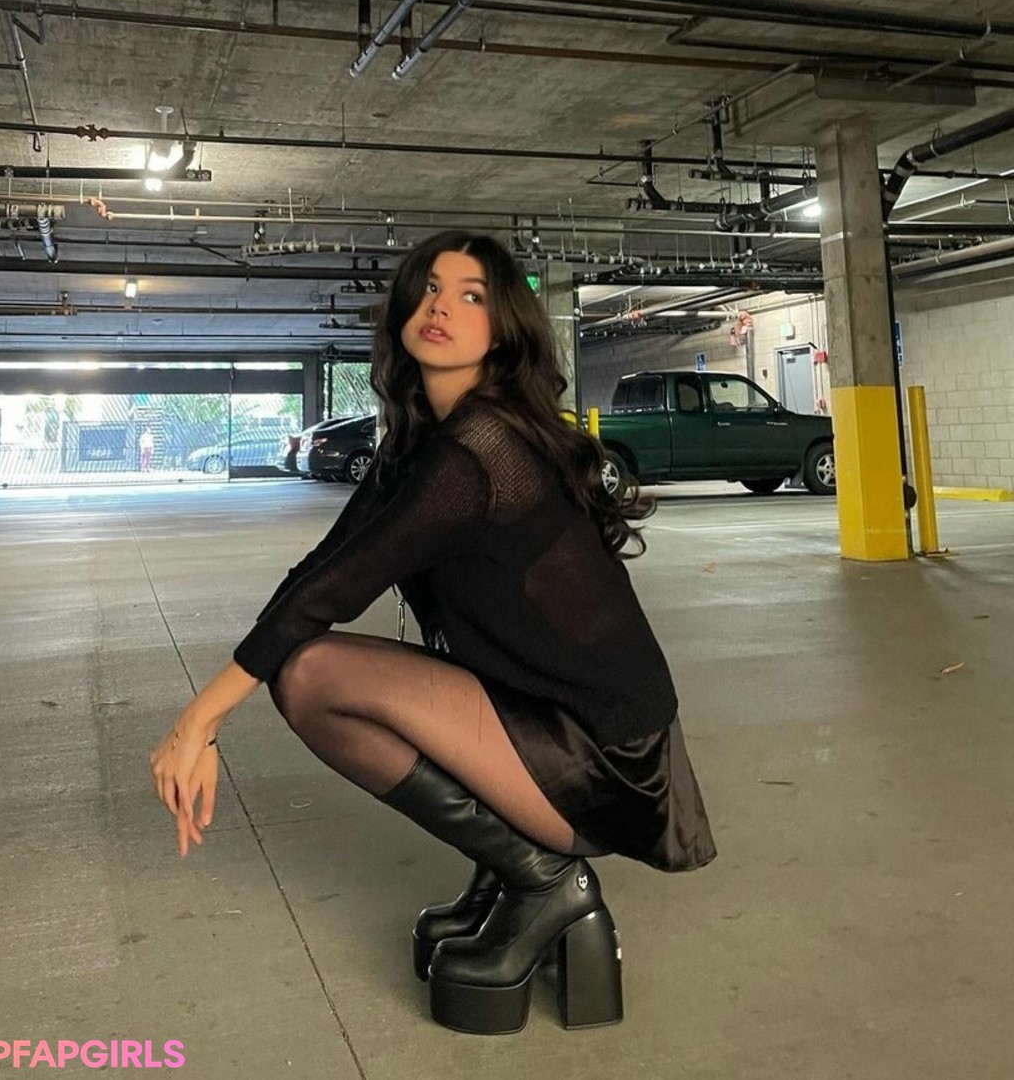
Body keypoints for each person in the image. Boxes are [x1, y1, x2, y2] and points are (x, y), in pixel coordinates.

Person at [150, 230, 715, 1035]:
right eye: (428, 288)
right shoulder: (421, 443)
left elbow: (336, 593)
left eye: (471, 295)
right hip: (538, 719)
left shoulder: (481, 451)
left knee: (312, 675)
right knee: (308, 668)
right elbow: (321, 567)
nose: (441, 306)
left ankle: (544, 880)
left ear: (504, 328)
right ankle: (511, 868)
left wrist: (198, 721)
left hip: (608, 761)